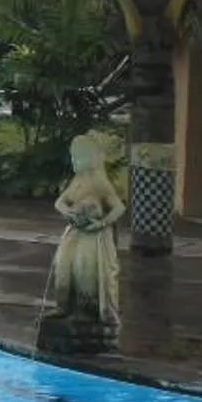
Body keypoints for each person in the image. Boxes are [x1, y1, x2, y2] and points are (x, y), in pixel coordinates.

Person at [42, 131, 125, 342]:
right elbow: (60, 202)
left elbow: (118, 208)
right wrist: (68, 213)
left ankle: (87, 311)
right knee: (63, 266)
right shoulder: (78, 181)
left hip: (93, 237)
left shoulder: (99, 182)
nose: (73, 161)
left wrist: (102, 223)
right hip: (75, 233)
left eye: (77, 156)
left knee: (85, 270)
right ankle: (64, 306)